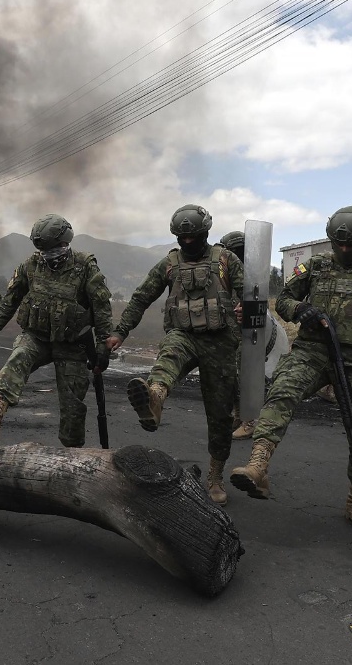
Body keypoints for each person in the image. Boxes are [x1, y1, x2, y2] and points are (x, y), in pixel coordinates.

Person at [229, 206, 352, 534]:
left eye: (351, 245)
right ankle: (258, 465)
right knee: (282, 393)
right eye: (338, 244)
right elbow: (284, 299)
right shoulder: (316, 266)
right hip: (312, 350)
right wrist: (301, 309)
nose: (344, 250)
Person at [107, 205, 244, 505]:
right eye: (182, 237)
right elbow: (142, 297)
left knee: (220, 415)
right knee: (167, 359)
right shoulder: (169, 264)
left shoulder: (225, 259)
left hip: (220, 342)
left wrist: (246, 307)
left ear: (205, 233)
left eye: (193, 237)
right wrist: (121, 332)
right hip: (182, 334)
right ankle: (153, 398)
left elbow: (250, 293)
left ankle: (215, 476)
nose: (188, 242)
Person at [0, 215, 113, 448]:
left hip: (73, 345)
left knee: (72, 404)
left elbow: (102, 307)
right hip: (36, 337)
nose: (49, 256)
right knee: (18, 358)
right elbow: (10, 300)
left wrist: (104, 346)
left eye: (54, 249)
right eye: (44, 251)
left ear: (65, 242)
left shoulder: (85, 266)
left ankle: (72, 456)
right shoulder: (30, 265)